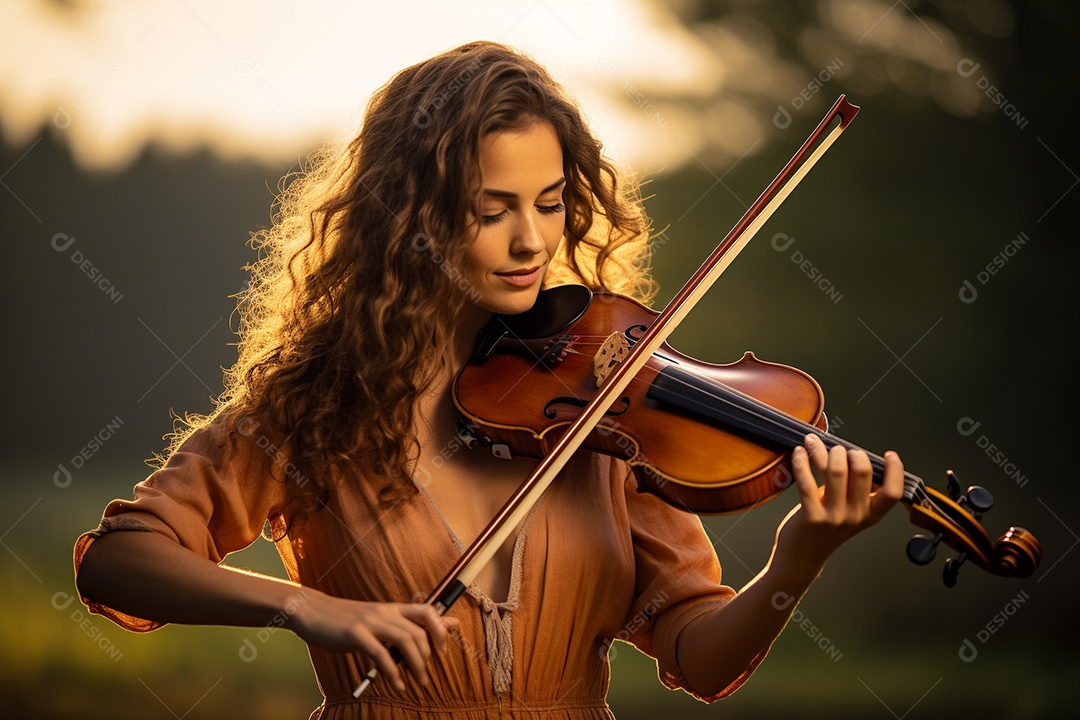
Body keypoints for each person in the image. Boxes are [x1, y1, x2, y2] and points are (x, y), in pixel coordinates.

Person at [73, 40, 904, 719]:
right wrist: (304, 608)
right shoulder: (314, 408)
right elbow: (119, 559)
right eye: (492, 207)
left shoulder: (610, 408)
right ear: (412, 215)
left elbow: (700, 655)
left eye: (549, 202)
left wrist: (794, 564)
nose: (532, 242)